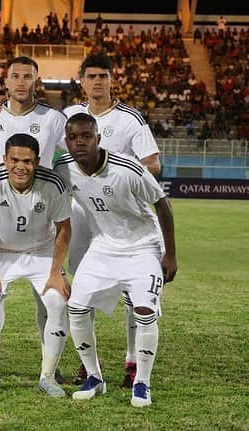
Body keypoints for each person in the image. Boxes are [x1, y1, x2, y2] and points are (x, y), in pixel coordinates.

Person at [55, 113, 177, 407]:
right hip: (104, 247)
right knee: (75, 306)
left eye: (86, 136)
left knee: (144, 309)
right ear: (67, 142)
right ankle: (95, 378)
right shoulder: (64, 169)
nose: (79, 142)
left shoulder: (128, 168)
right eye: (73, 137)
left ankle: (142, 383)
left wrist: (170, 254)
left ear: (98, 138)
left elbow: (162, 203)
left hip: (143, 246)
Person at [64, 53, 161, 387]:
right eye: (90, 76)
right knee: (82, 290)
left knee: (133, 293)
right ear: (82, 80)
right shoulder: (70, 116)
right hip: (82, 215)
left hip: (120, 216)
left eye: (103, 75)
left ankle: (133, 360)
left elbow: (152, 163)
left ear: (111, 79)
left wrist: (116, 183)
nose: (97, 82)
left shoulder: (129, 118)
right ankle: (88, 366)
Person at [0, 56, 67, 382]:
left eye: (27, 76)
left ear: (36, 81)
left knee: (49, 301)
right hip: (1, 216)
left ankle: (50, 369)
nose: (20, 82)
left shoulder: (53, 119)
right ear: (5, 81)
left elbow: (70, 151)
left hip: (41, 215)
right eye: (14, 76)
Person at [0, 133, 71, 397]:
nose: (20, 166)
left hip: (41, 253)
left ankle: (48, 377)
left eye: (27, 161)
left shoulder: (54, 184)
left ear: (37, 161)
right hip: (0, 253)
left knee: (57, 301)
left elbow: (64, 228)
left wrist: (56, 272)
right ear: (4, 159)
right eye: (14, 159)